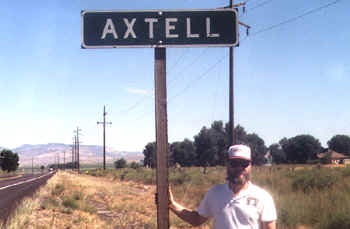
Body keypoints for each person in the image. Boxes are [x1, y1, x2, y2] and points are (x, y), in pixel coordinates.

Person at [167, 144, 277, 229]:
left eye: (244, 164)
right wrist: (171, 204)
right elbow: (196, 219)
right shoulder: (214, 193)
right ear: (227, 165)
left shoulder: (263, 197)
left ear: (250, 166)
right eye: (234, 163)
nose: (239, 168)